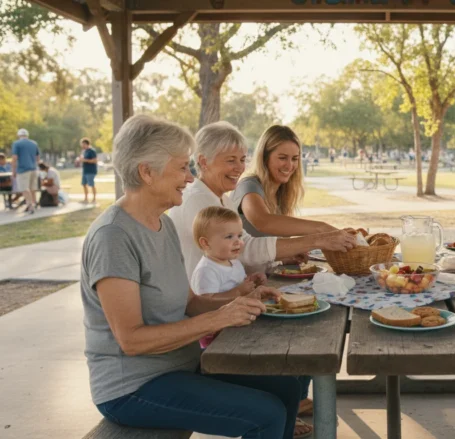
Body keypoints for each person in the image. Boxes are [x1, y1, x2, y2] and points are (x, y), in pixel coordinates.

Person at [81, 114, 303, 439]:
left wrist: (241, 299)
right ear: (147, 172)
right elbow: (131, 340)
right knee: (266, 414)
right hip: (131, 386)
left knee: (287, 386)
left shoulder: (163, 222)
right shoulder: (113, 236)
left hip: (180, 366)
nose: (189, 178)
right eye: (182, 167)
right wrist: (219, 319)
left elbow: (191, 302)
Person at [168, 121, 355, 280]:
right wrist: (318, 239)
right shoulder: (198, 198)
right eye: (231, 160)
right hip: (203, 304)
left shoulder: (223, 199)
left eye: (242, 160)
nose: (239, 168)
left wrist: (276, 260)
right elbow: (244, 249)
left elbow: (242, 248)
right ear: (203, 162)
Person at [232, 125, 338, 238]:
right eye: (282, 158)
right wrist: (322, 228)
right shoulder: (248, 185)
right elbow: (264, 222)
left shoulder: (281, 193)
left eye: (294, 159)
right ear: (264, 158)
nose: (289, 165)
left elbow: (273, 245)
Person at [190, 206, 267, 349]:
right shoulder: (207, 270)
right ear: (206, 243)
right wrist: (238, 291)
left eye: (239, 235)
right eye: (229, 237)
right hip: (216, 337)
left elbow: (239, 283)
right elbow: (206, 304)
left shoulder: (234, 262)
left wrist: (252, 280)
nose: (238, 241)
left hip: (236, 323)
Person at [11, 128, 40, 214]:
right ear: (27, 135)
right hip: (33, 169)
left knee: (24, 188)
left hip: (22, 169)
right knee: (32, 188)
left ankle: (30, 206)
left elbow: (14, 158)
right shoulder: (34, 143)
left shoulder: (16, 144)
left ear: (19, 135)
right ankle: (34, 204)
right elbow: (37, 158)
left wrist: (13, 170)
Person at [80, 138, 99, 203]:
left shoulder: (92, 151)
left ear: (87, 144)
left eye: (83, 144)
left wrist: (85, 160)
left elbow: (95, 160)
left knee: (91, 184)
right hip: (85, 171)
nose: (82, 146)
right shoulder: (85, 151)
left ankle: (94, 199)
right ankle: (86, 199)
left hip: (91, 171)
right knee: (84, 184)